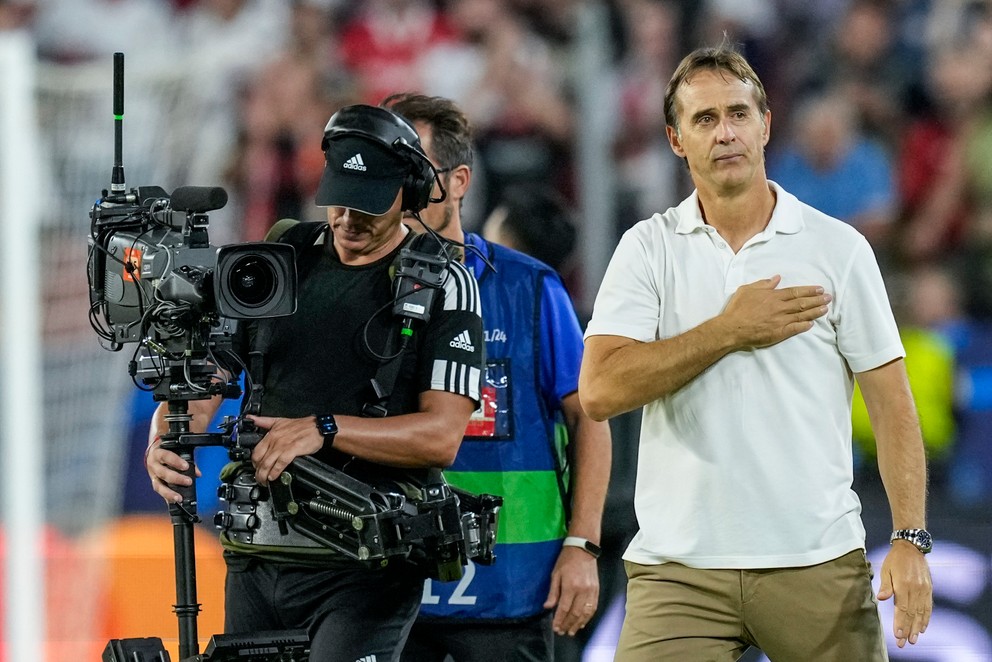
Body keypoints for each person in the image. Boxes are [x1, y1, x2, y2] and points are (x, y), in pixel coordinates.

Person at [578, 45, 933, 661]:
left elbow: (891, 404)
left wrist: (909, 537)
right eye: (705, 119)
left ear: (766, 124)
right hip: (678, 569)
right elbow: (600, 391)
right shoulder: (646, 248)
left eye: (738, 114)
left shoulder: (838, 248)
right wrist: (728, 330)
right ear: (675, 140)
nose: (726, 133)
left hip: (815, 558)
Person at [144, 103, 485, 662]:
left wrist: (323, 429)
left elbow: (441, 436)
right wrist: (166, 436)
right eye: (340, 196)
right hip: (256, 553)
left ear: (411, 192)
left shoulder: (444, 282)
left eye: (368, 202)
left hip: (364, 569)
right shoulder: (281, 257)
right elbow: (209, 374)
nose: (349, 217)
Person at [382, 92, 612, 661]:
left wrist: (583, 546)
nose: (399, 192)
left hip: (510, 592)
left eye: (417, 172)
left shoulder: (528, 287)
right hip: (386, 595)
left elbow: (591, 416)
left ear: (459, 181)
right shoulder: (357, 288)